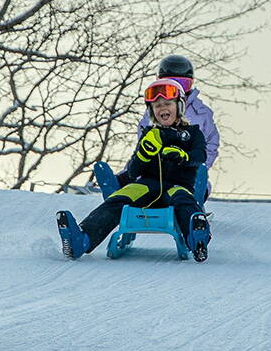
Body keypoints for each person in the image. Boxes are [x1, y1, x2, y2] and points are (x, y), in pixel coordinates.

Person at [56, 78, 211, 260]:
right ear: (152, 111)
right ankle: (82, 239)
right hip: (146, 185)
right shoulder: (149, 134)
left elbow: (200, 156)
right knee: (118, 200)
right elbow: (134, 171)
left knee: (184, 201)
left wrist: (183, 156)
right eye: (157, 105)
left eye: (167, 103)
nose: (162, 108)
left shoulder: (192, 133)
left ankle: (196, 239)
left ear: (180, 107)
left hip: (177, 185)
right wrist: (144, 154)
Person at [136, 54, 219, 182]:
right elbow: (143, 141)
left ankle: (194, 192)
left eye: (183, 84)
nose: (178, 88)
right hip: (156, 171)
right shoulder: (154, 111)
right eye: (171, 84)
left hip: (188, 172)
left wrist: (199, 166)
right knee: (140, 178)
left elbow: (211, 143)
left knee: (191, 185)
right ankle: (119, 184)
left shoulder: (202, 113)